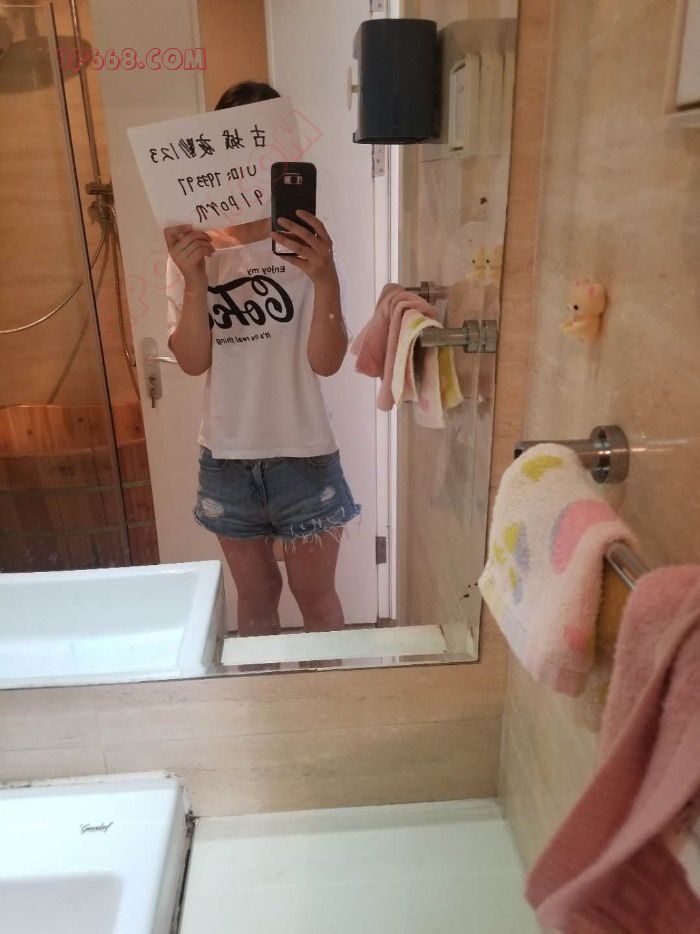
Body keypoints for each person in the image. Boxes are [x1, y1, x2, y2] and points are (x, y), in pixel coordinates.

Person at [164, 81, 360, 637]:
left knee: (317, 598)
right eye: (236, 140)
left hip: (304, 454)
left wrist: (325, 277)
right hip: (227, 457)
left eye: (265, 140)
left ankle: (332, 695)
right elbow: (192, 362)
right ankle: (268, 696)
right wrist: (195, 279)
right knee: (255, 599)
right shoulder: (193, 250)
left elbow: (327, 362)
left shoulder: (306, 244)